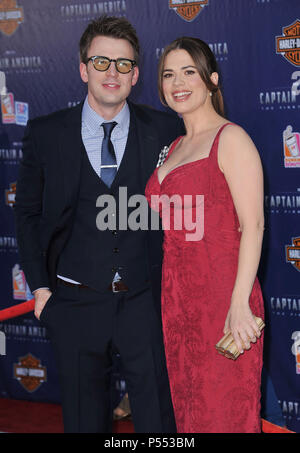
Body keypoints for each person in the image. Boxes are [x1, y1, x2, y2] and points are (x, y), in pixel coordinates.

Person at [14, 15, 184, 433]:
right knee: (83, 422)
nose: (112, 73)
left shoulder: (165, 129)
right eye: (101, 62)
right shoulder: (45, 133)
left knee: (158, 422)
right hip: (74, 304)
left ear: (136, 74)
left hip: (145, 303)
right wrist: (40, 290)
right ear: (83, 68)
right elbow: (27, 215)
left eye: (123, 64)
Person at [145, 37, 265, 433]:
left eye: (188, 71)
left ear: (212, 79)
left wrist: (240, 304)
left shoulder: (231, 139)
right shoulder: (173, 147)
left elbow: (254, 226)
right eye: (168, 74)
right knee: (190, 416)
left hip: (224, 300)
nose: (177, 82)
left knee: (223, 417)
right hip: (178, 304)